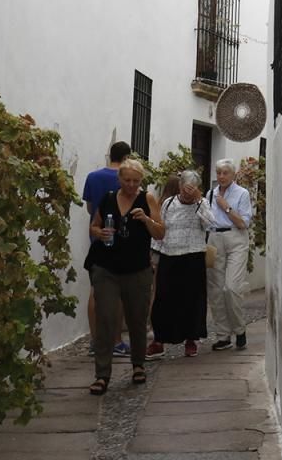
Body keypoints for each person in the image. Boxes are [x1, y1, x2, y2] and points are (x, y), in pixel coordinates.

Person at [84, 158, 164, 395]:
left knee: (137, 319)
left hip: (137, 269)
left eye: (135, 181)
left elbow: (160, 232)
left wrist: (146, 219)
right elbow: (94, 226)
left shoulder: (147, 199)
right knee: (106, 317)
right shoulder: (109, 198)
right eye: (127, 180)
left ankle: (138, 365)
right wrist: (99, 232)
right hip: (106, 267)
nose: (131, 185)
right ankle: (102, 374)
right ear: (119, 179)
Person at [150, 170, 216, 357]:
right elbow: (161, 228)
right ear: (179, 187)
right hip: (169, 255)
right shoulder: (168, 203)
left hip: (193, 256)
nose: (187, 193)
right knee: (163, 298)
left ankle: (191, 339)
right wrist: (154, 252)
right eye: (185, 188)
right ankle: (159, 339)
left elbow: (211, 224)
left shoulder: (202, 203)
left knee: (192, 299)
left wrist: (198, 202)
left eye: (192, 189)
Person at [82, 141, 132, 357]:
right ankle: (116, 341)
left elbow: (90, 208)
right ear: (127, 157)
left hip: (98, 237)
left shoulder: (92, 177)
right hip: (123, 239)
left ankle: (95, 341)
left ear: (109, 155)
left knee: (95, 291)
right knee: (119, 292)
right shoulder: (127, 178)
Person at [206, 158, 254, 351]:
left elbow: (243, 223)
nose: (221, 176)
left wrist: (225, 206)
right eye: (219, 173)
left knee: (231, 288)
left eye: (225, 173)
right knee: (216, 291)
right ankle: (223, 335)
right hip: (214, 239)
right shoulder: (210, 194)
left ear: (233, 175)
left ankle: (240, 329)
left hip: (235, 238)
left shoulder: (242, 193)